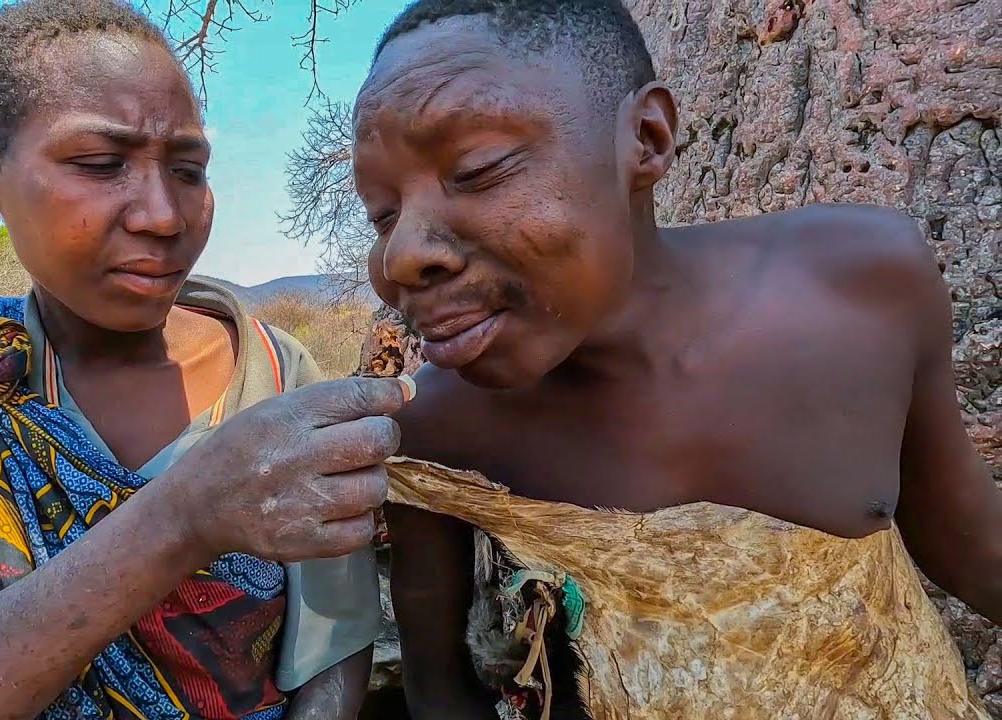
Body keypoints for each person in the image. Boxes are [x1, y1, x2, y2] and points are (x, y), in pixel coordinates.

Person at [354, 0, 1002, 718]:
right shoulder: (438, 433)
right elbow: (440, 690)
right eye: (383, 213)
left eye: (476, 169)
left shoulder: (861, 289)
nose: (402, 256)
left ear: (648, 137)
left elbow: (966, 542)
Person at [0, 2, 404, 718]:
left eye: (187, 169)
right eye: (99, 164)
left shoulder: (277, 374)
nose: (162, 214)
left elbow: (333, 649)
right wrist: (181, 519)